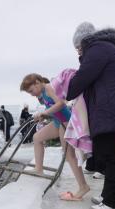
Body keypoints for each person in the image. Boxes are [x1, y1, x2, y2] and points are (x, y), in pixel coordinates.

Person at [67, 22, 115, 209]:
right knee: (109, 155)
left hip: (112, 111)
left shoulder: (97, 50)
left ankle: (112, 202)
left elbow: (80, 81)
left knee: (112, 157)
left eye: (78, 47)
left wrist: (69, 85)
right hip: (112, 111)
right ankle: (108, 194)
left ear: (84, 41)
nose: (78, 52)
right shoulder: (103, 48)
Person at [20, 73, 90, 201]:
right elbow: (55, 110)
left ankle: (83, 186)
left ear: (37, 82)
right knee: (37, 138)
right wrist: (44, 116)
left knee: (70, 156)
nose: (31, 94)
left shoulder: (49, 87)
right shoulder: (44, 92)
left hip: (66, 124)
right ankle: (39, 169)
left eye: (31, 91)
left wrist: (45, 112)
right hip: (58, 123)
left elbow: (61, 104)